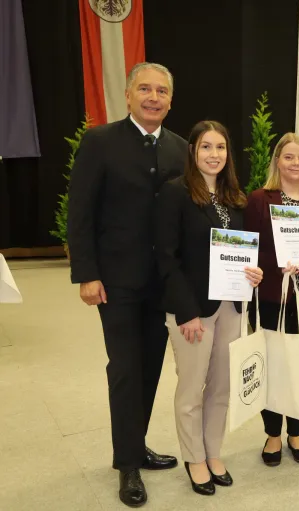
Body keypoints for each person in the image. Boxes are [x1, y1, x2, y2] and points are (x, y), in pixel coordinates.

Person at [68, 62, 186, 507]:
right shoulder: (99, 142)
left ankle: (137, 445)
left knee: (151, 366)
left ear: (170, 100)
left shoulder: (180, 148)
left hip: (162, 283)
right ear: (128, 95)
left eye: (161, 91)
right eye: (145, 89)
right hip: (115, 281)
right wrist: (86, 273)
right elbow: (80, 211)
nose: (153, 97)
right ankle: (127, 465)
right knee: (124, 368)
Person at [155, 121, 262, 496]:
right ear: (192, 151)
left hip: (231, 306)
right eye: (205, 147)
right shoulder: (175, 193)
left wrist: (253, 272)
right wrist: (185, 312)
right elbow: (165, 258)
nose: (214, 154)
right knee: (191, 388)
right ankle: (194, 457)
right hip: (193, 310)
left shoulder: (235, 197)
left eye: (220, 147)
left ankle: (213, 452)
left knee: (221, 386)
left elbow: (239, 249)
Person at [244, 133, 299, 466]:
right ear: (277, 161)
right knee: (272, 367)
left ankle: (296, 431)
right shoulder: (259, 199)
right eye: (289, 157)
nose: (296, 163)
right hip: (270, 297)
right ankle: (273, 434)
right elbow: (249, 245)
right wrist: (273, 264)